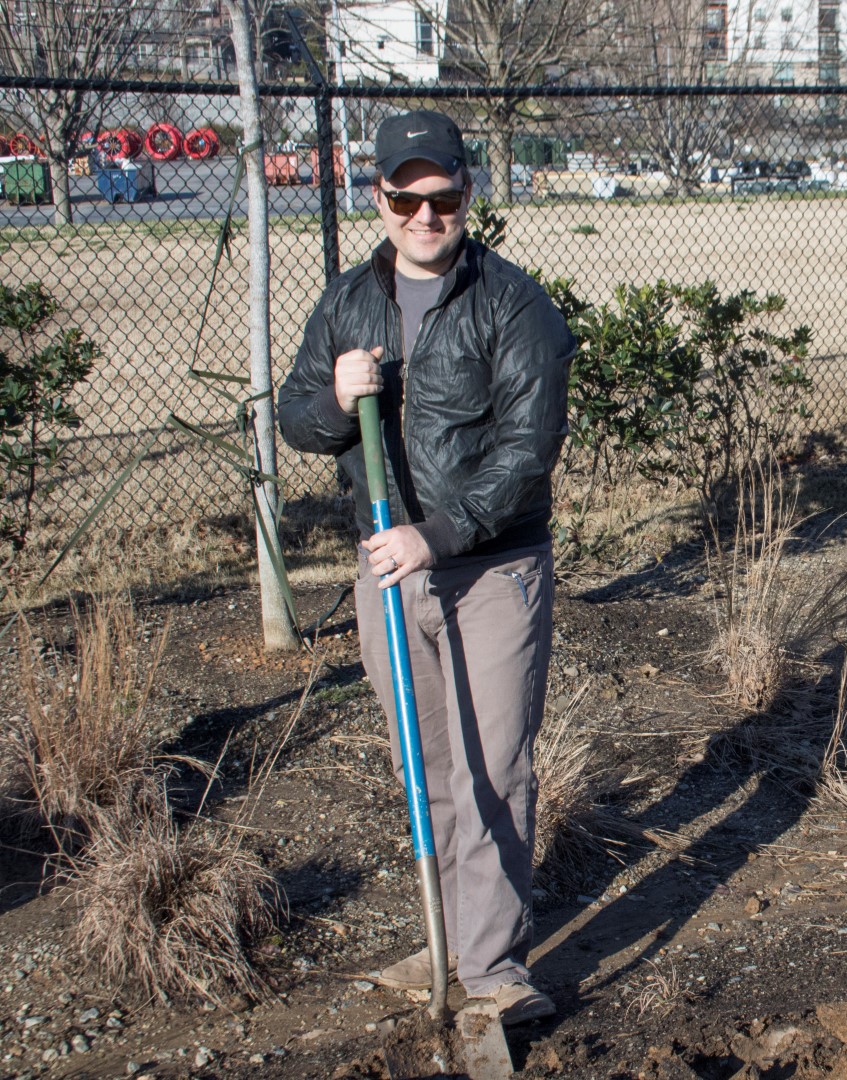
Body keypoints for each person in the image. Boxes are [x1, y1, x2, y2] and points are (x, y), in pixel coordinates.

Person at [278, 109, 576, 1021]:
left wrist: (435, 535)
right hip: (387, 568)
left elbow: (528, 448)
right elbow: (296, 419)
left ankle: (489, 972)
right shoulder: (346, 303)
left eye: (442, 198)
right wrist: (334, 401)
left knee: (494, 769)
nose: (424, 215)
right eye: (406, 198)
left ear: (467, 196)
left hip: (490, 568)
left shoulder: (515, 305)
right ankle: (446, 934)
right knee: (432, 763)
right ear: (379, 196)